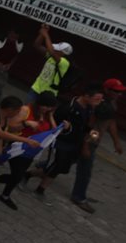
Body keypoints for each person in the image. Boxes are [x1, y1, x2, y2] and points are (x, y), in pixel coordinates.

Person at [31, 82, 107, 213]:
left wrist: (91, 133)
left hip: (74, 143)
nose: (99, 102)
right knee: (57, 165)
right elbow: (54, 124)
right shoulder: (69, 107)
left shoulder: (89, 108)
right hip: (61, 142)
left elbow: (84, 126)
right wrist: (66, 129)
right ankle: (40, 189)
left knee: (62, 168)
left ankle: (28, 175)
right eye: (97, 99)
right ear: (87, 96)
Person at [0, 92, 58, 211]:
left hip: (31, 149)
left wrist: (50, 116)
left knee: (18, 175)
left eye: (50, 108)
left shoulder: (47, 115)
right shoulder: (26, 110)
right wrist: (26, 123)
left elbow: (53, 131)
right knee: (18, 174)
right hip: (17, 145)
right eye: (46, 106)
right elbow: (11, 126)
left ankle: (3, 192)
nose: (47, 109)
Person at [30, 25, 73, 100]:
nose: (54, 49)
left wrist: (46, 35)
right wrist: (43, 33)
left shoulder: (64, 63)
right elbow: (37, 45)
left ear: (63, 53)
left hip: (48, 93)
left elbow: (52, 52)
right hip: (36, 88)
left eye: (57, 49)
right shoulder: (51, 57)